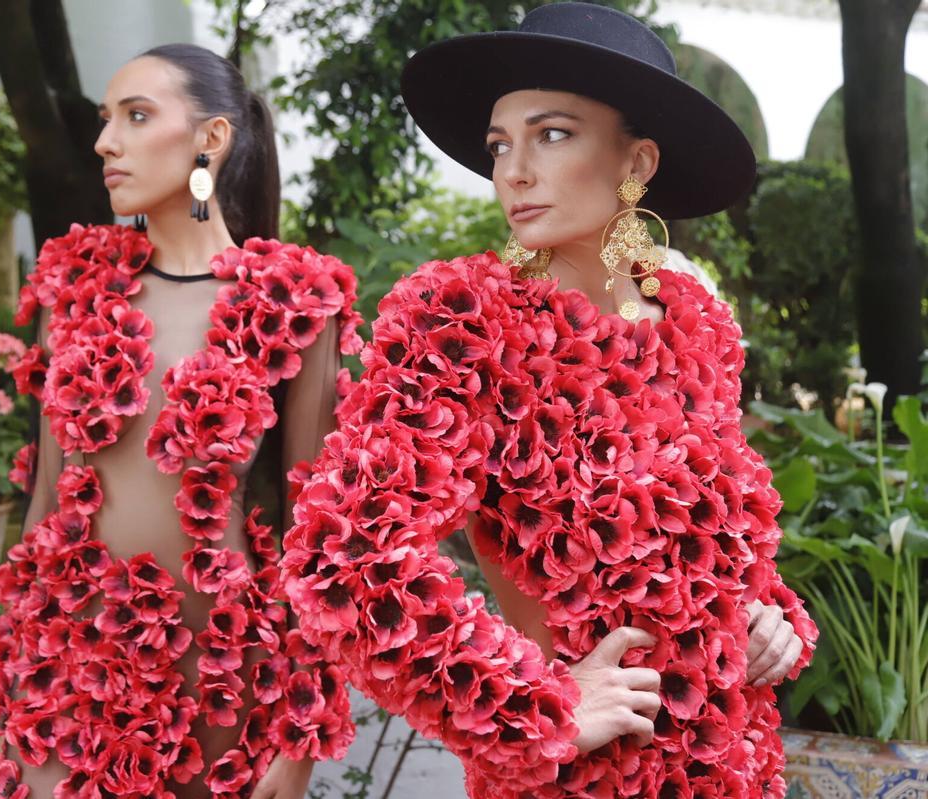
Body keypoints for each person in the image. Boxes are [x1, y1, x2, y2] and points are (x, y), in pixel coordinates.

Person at [278, 5, 818, 797]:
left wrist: (773, 617)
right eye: (500, 144)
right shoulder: (462, 320)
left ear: (637, 161)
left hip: (733, 765)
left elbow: (708, 541)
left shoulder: (698, 325)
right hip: (576, 778)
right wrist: (532, 707)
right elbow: (347, 558)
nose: (513, 171)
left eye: (552, 134)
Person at [0, 44, 362, 799]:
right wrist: (16, 678)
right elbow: (47, 498)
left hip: (220, 675)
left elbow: (316, 532)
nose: (105, 142)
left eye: (136, 116)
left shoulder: (293, 298)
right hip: (70, 662)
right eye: (105, 119)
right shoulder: (73, 284)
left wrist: (302, 730)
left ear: (210, 139)